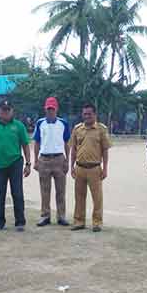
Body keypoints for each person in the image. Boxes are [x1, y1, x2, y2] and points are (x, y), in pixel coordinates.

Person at [0, 99, 31, 231]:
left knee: (17, 193)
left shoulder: (19, 126)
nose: (5, 113)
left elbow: (25, 145)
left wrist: (28, 163)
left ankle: (20, 222)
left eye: (8, 110)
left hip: (15, 163)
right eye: (3, 110)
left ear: (12, 111)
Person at [70, 103, 112, 232]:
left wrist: (105, 168)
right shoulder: (77, 129)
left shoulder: (101, 129)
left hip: (94, 168)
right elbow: (73, 149)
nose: (87, 116)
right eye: (85, 114)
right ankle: (79, 221)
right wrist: (71, 167)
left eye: (89, 114)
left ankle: (97, 222)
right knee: (79, 197)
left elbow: (105, 150)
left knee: (97, 197)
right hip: (80, 168)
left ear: (95, 114)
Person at [33, 96, 71, 227]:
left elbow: (67, 143)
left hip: (59, 159)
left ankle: (61, 216)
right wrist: (36, 160)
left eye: (52, 109)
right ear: (45, 109)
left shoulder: (63, 123)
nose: (50, 111)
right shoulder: (40, 123)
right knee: (45, 190)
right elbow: (37, 142)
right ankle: (45, 216)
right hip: (44, 159)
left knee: (61, 190)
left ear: (56, 109)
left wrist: (67, 160)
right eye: (48, 109)